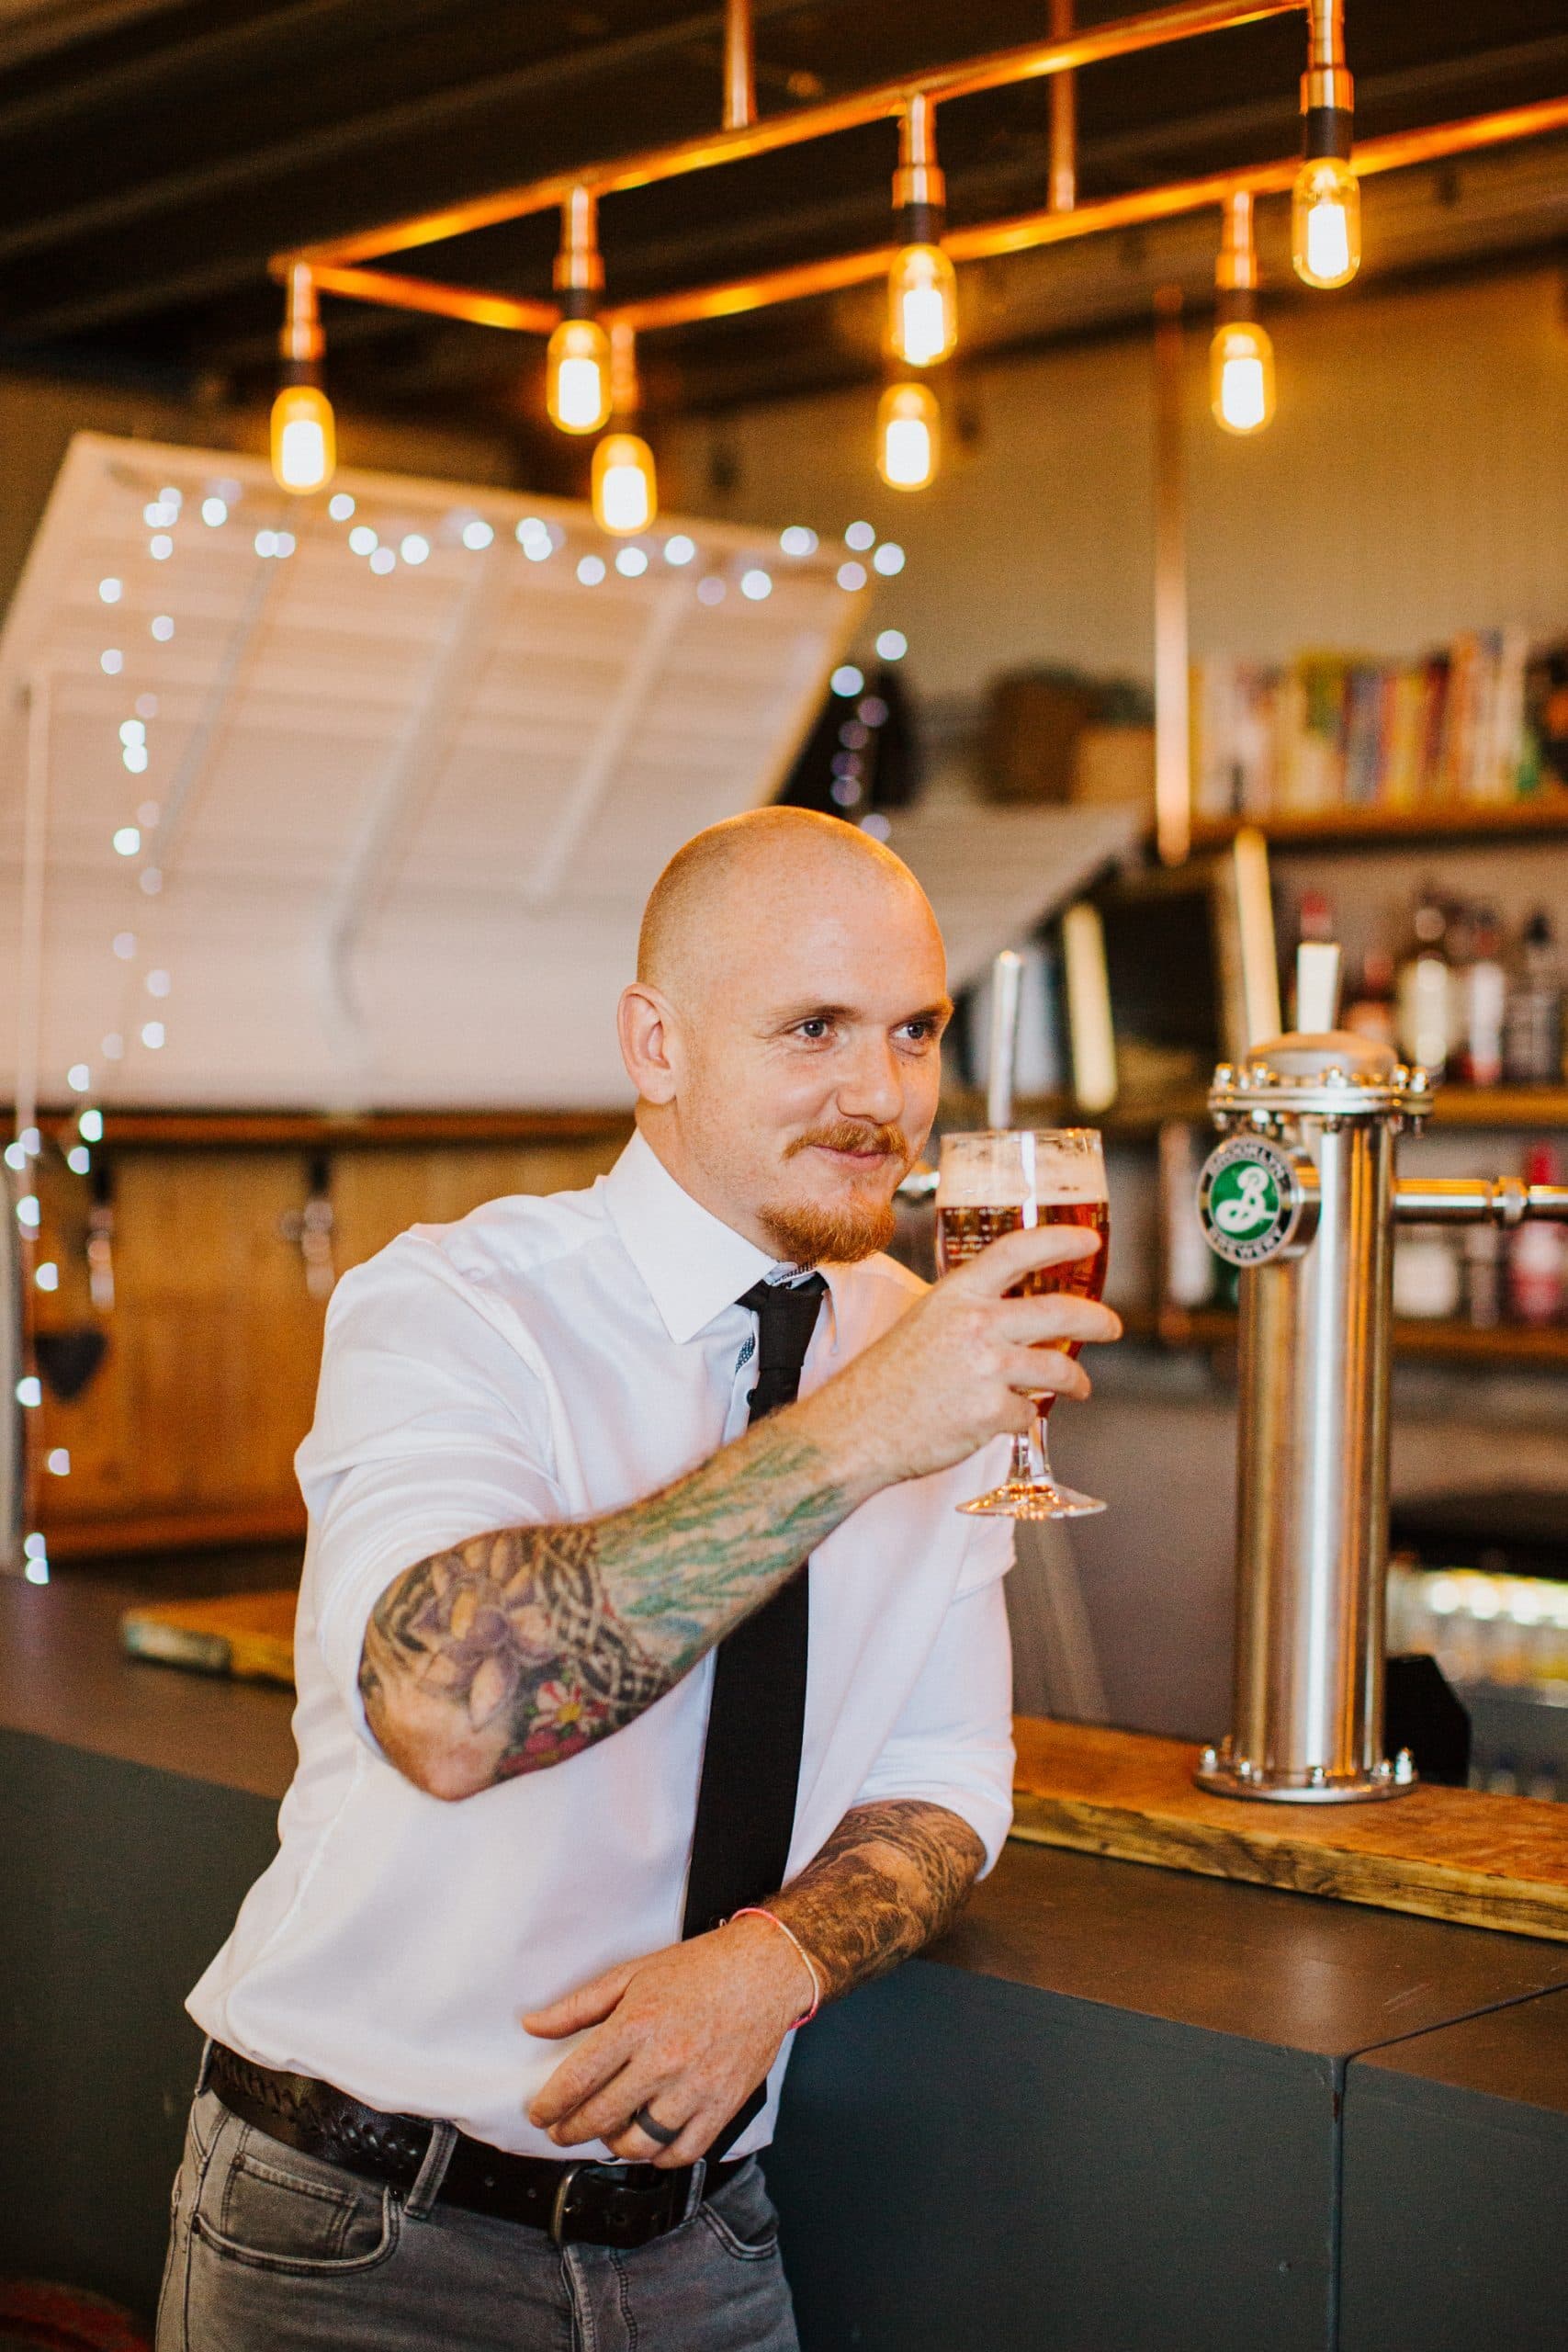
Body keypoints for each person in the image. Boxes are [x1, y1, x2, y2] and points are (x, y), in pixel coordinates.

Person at [158, 806, 1120, 2352]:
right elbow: (444, 1709)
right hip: (355, 2238)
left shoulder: (930, 1337)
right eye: (814, 1028)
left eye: (914, 1032)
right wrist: (862, 1434)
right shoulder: (457, 1305)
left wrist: (778, 1963)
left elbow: (948, 1776)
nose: (880, 1096)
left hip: (704, 2253)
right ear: (654, 1043)